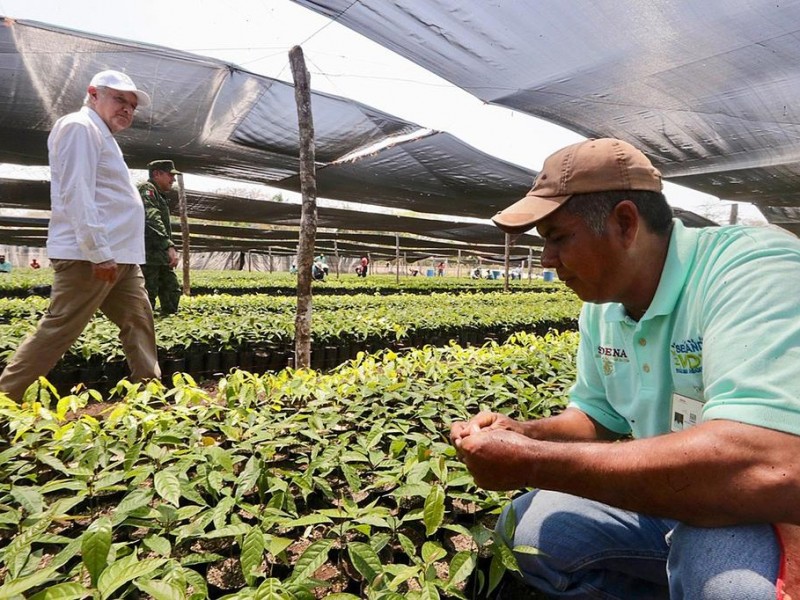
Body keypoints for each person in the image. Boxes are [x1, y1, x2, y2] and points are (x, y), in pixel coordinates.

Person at [450, 138, 800, 599]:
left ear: (625, 222)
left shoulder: (750, 267)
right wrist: (526, 433)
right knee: (532, 529)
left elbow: (766, 464)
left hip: (768, 512)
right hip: (675, 496)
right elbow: (597, 419)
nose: (547, 260)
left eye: (558, 238)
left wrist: (533, 463)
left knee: (722, 574)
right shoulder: (602, 305)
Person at [0, 70, 160, 403]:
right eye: (119, 99)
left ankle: (150, 395)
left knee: (139, 320)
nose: (127, 110)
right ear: (92, 93)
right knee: (59, 331)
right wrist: (98, 251)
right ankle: (5, 398)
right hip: (90, 257)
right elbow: (77, 191)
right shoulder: (79, 127)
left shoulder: (102, 136)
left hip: (122, 257)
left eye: (132, 106)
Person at [139, 159, 181, 314]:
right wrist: (168, 245)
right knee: (147, 294)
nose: (173, 179)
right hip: (149, 255)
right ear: (157, 174)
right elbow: (151, 217)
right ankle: (143, 331)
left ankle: (167, 326)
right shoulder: (147, 189)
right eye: (170, 175)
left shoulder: (159, 195)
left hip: (160, 256)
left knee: (171, 290)